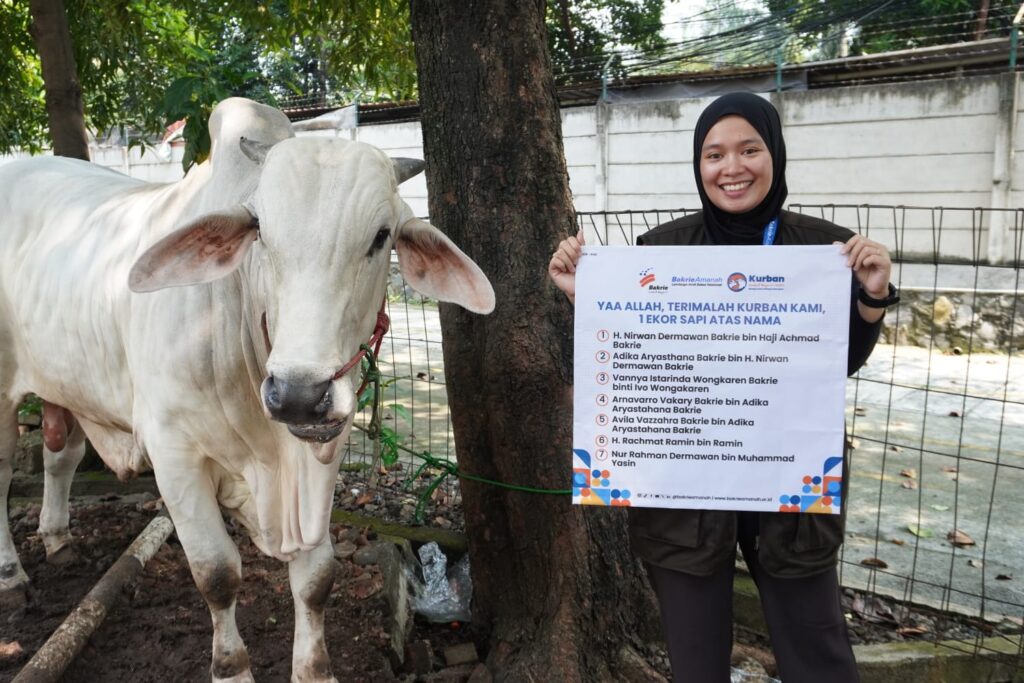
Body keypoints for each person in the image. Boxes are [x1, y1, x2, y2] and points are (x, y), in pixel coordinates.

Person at [548, 92, 897, 683]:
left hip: (788, 483)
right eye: (714, 154)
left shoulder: (826, 250)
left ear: (774, 155)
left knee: (819, 656)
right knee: (696, 662)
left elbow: (835, 365)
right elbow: (641, 358)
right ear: (698, 165)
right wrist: (589, 295)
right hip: (687, 490)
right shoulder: (660, 251)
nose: (731, 168)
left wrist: (871, 295)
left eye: (748, 150)